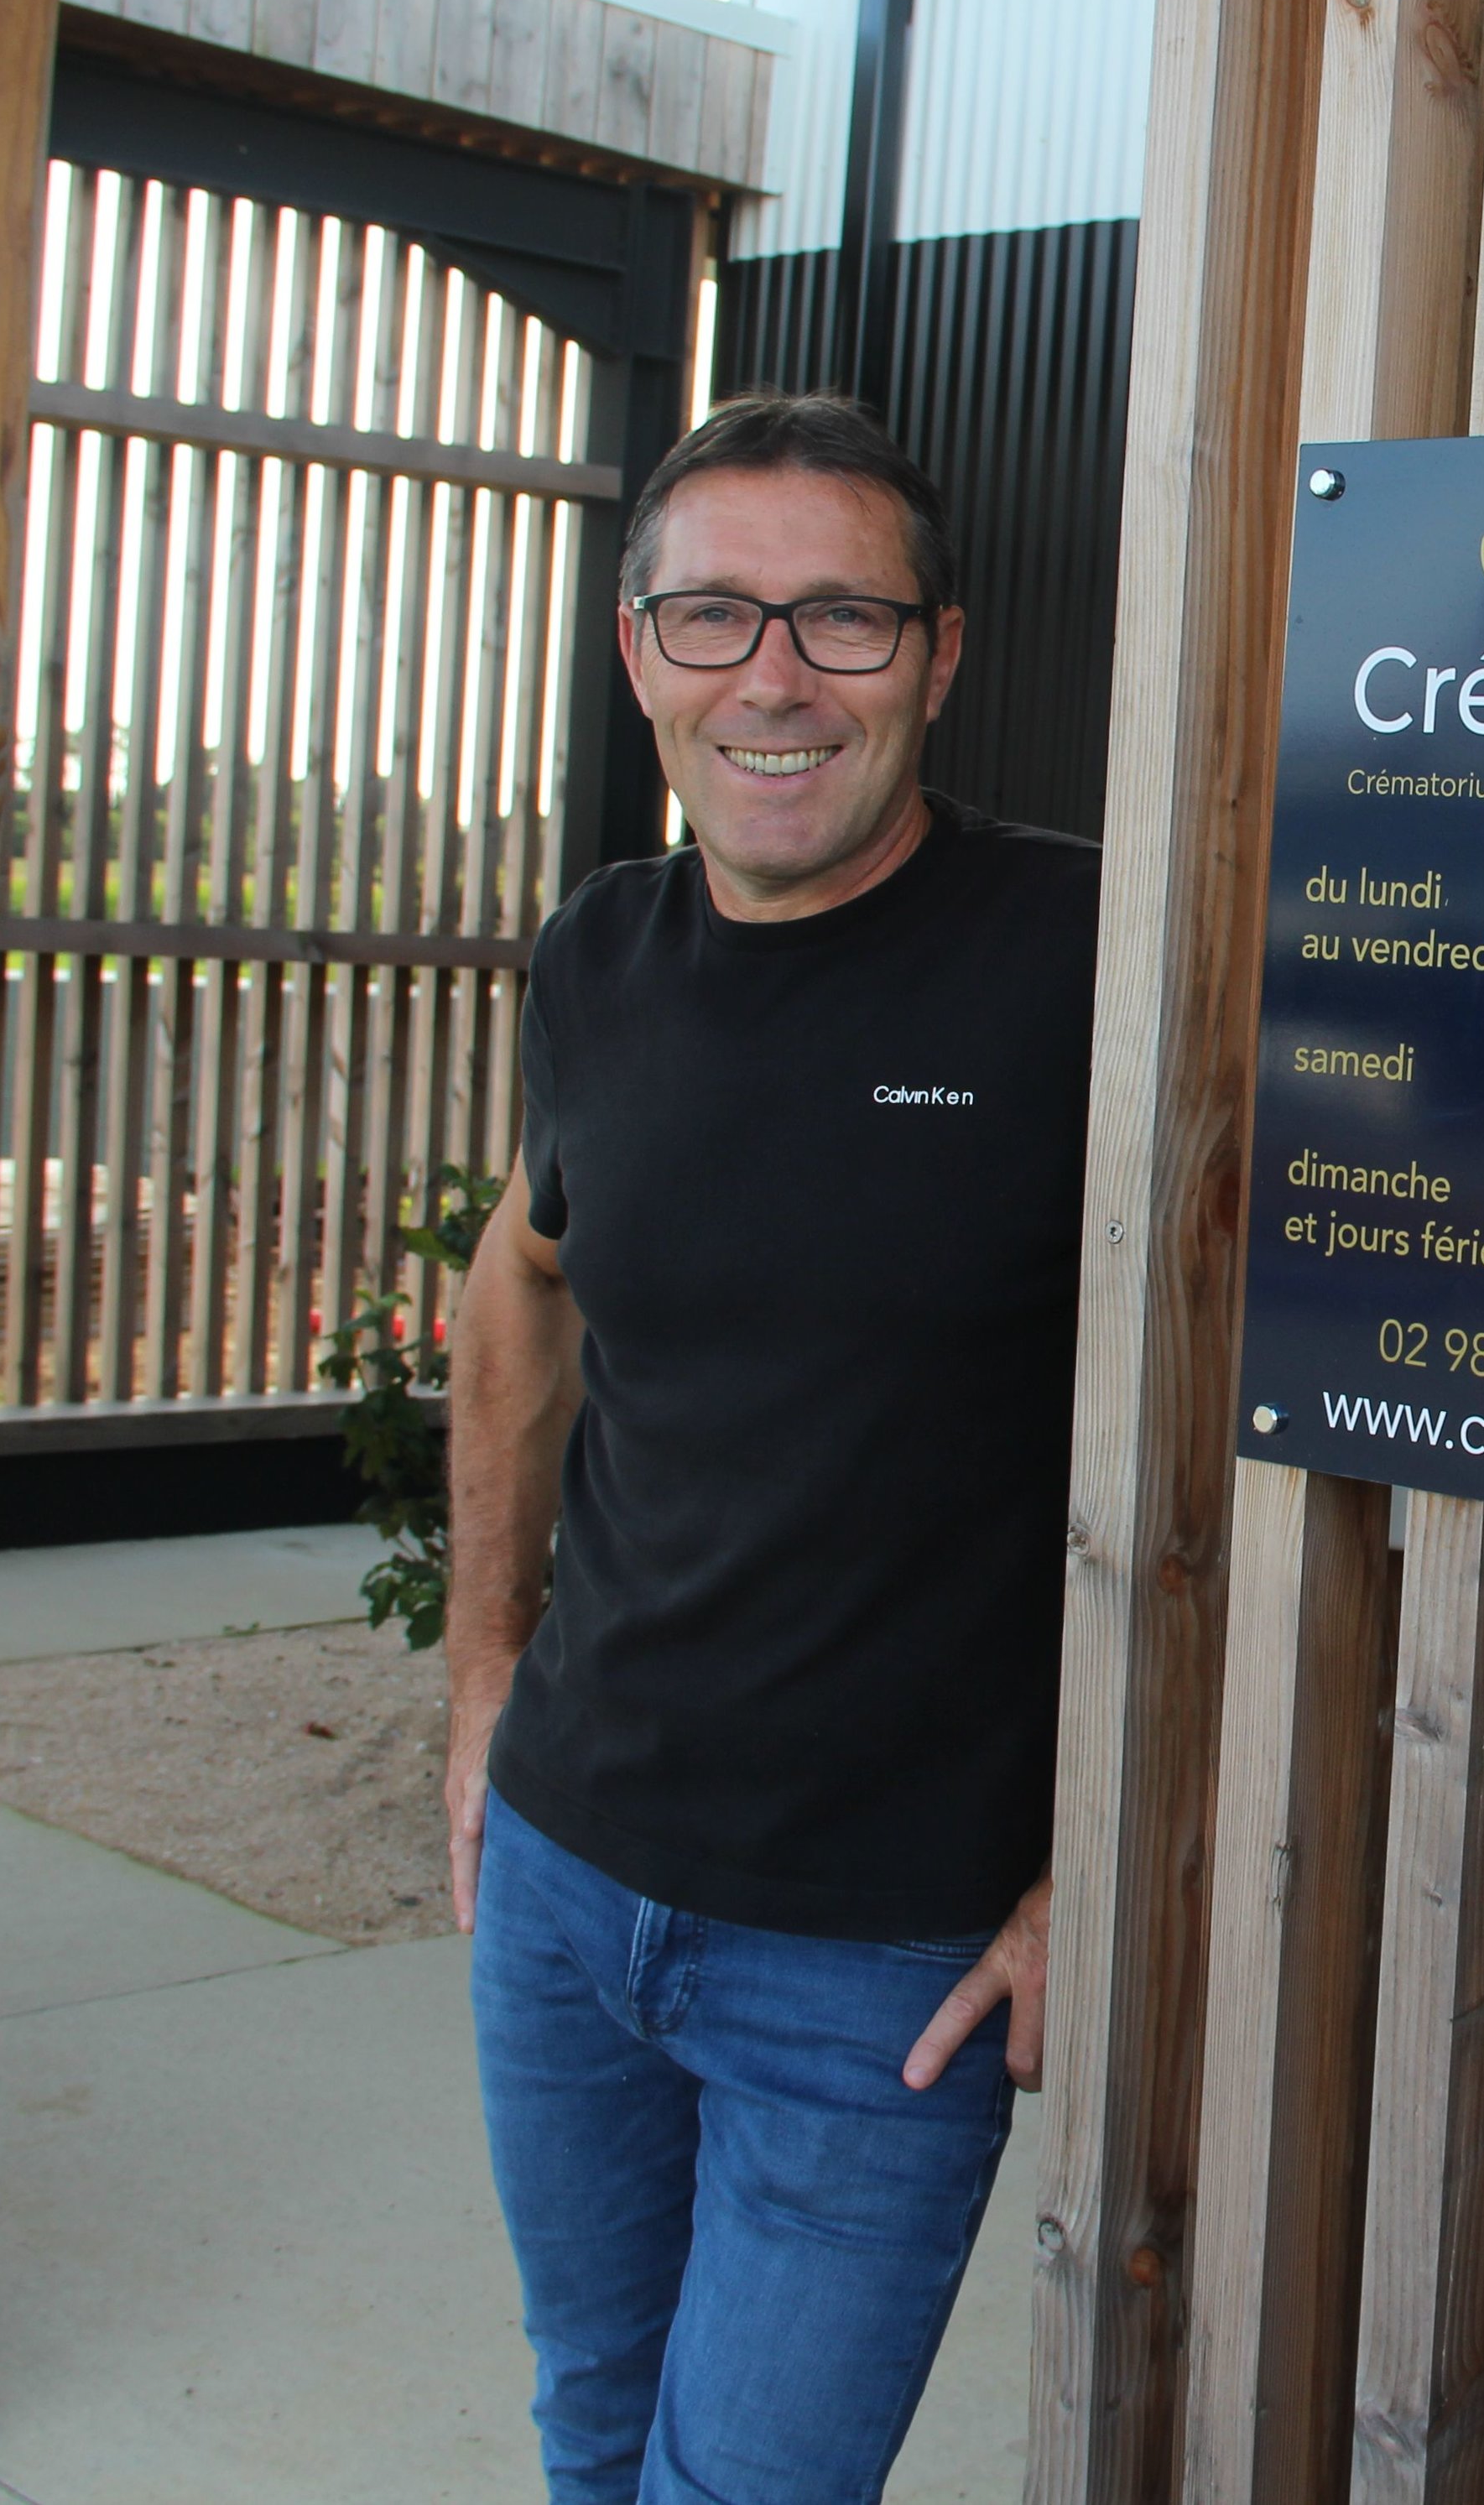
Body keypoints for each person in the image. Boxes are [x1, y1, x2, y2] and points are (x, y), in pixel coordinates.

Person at [445, 391, 1098, 2502]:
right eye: (714, 616)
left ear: (941, 655)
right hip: (564, 1883)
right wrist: (479, 1682)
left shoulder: (1092, 960)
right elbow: (518, 1289)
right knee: (591, 2429)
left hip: (878, 1963)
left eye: (843, 618)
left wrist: (1113, 1854)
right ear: (637, 649)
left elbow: (1267, 1454)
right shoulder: (598, 956)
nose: (775, 679)